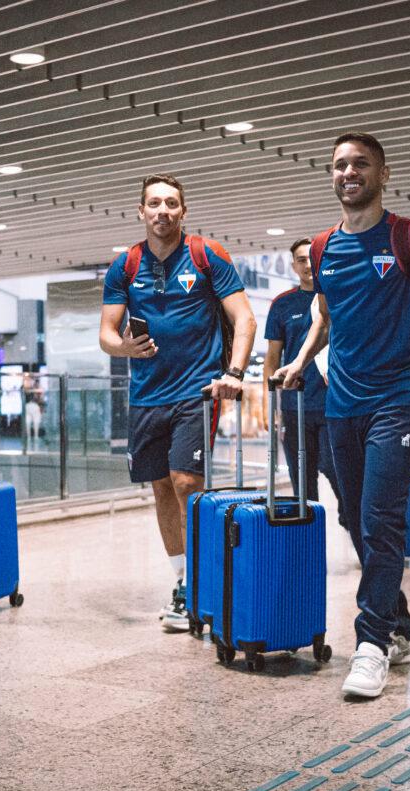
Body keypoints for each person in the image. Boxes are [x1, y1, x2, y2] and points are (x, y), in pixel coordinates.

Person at [274, 133, 410, 699]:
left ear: (382, 174)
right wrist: (301, 362)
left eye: (360, 164)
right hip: (341, 401)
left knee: (381, 519)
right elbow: (325, 318)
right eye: (339, 165)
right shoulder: (326, 247)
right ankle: (397, 624)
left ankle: (371, 643)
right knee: (354, 517)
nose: (348, 172)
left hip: (399, 397)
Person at [99, 173, 255, 632]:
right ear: (141, 211)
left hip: (197, 390)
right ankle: (185, 583)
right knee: (162, 487)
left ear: (183, 211)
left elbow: (243, 316)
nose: (162, 211)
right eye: (154, 203)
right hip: (147, 395)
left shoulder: (207, 256)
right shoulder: (124, 266)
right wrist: (123, 347)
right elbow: (107, 333)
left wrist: (234, 373)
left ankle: (206, 581)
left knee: (187, 481)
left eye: (171, 203)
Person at [263, 237, 346, 531]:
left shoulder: (338, 298)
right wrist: (269, 406)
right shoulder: (282, 305)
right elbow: (272, 359)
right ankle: (308, 535)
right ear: (293, 265)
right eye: (301, 259)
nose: (308, 264)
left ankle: (349, 517)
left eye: (312, 258)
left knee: (335, 468)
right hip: (294, 405)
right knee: (302, 480)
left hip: (334, 403)